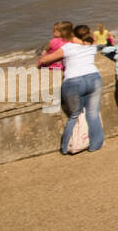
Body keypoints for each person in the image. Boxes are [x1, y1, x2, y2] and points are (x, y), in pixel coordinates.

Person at [38, 24, 104, 154]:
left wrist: (44, 53)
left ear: (73, 36)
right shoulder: (92, 46)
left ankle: (66, 147)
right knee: (93, 114)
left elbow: (45, 60)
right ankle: (95, 145)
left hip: (74, 81)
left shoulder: (67, 48)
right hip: (94, 77)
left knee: (74, 115)